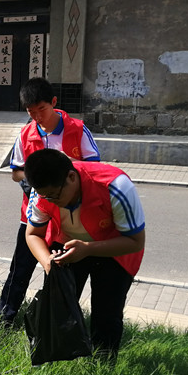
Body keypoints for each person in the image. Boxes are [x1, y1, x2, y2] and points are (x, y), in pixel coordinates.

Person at [23, 148, 145, 359]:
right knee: (59, 309)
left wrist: (88, 249)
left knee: (107, 314)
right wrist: (48, 261)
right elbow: (33, 234)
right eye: (46, 197)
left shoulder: (116, 187)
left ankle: (103, 365)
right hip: (67, 246)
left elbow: (135, 242)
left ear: (71, 177)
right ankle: (58, 360)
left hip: (114, 250)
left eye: (56, 195)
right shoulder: (42, 192)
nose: (51, 201)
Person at [0, 78, 100, 326]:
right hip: (33, 217)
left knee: (59, 273)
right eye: (30, 112)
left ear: (54, 103)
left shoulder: (76, 129)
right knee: (20, 270)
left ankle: (55, 324)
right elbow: (16, 172)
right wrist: (32, 179)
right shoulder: (26, 133)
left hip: (67, 220)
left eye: (41, 110)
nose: (37, 117)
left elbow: (95, 168)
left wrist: (66, 167)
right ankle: (5, 318)